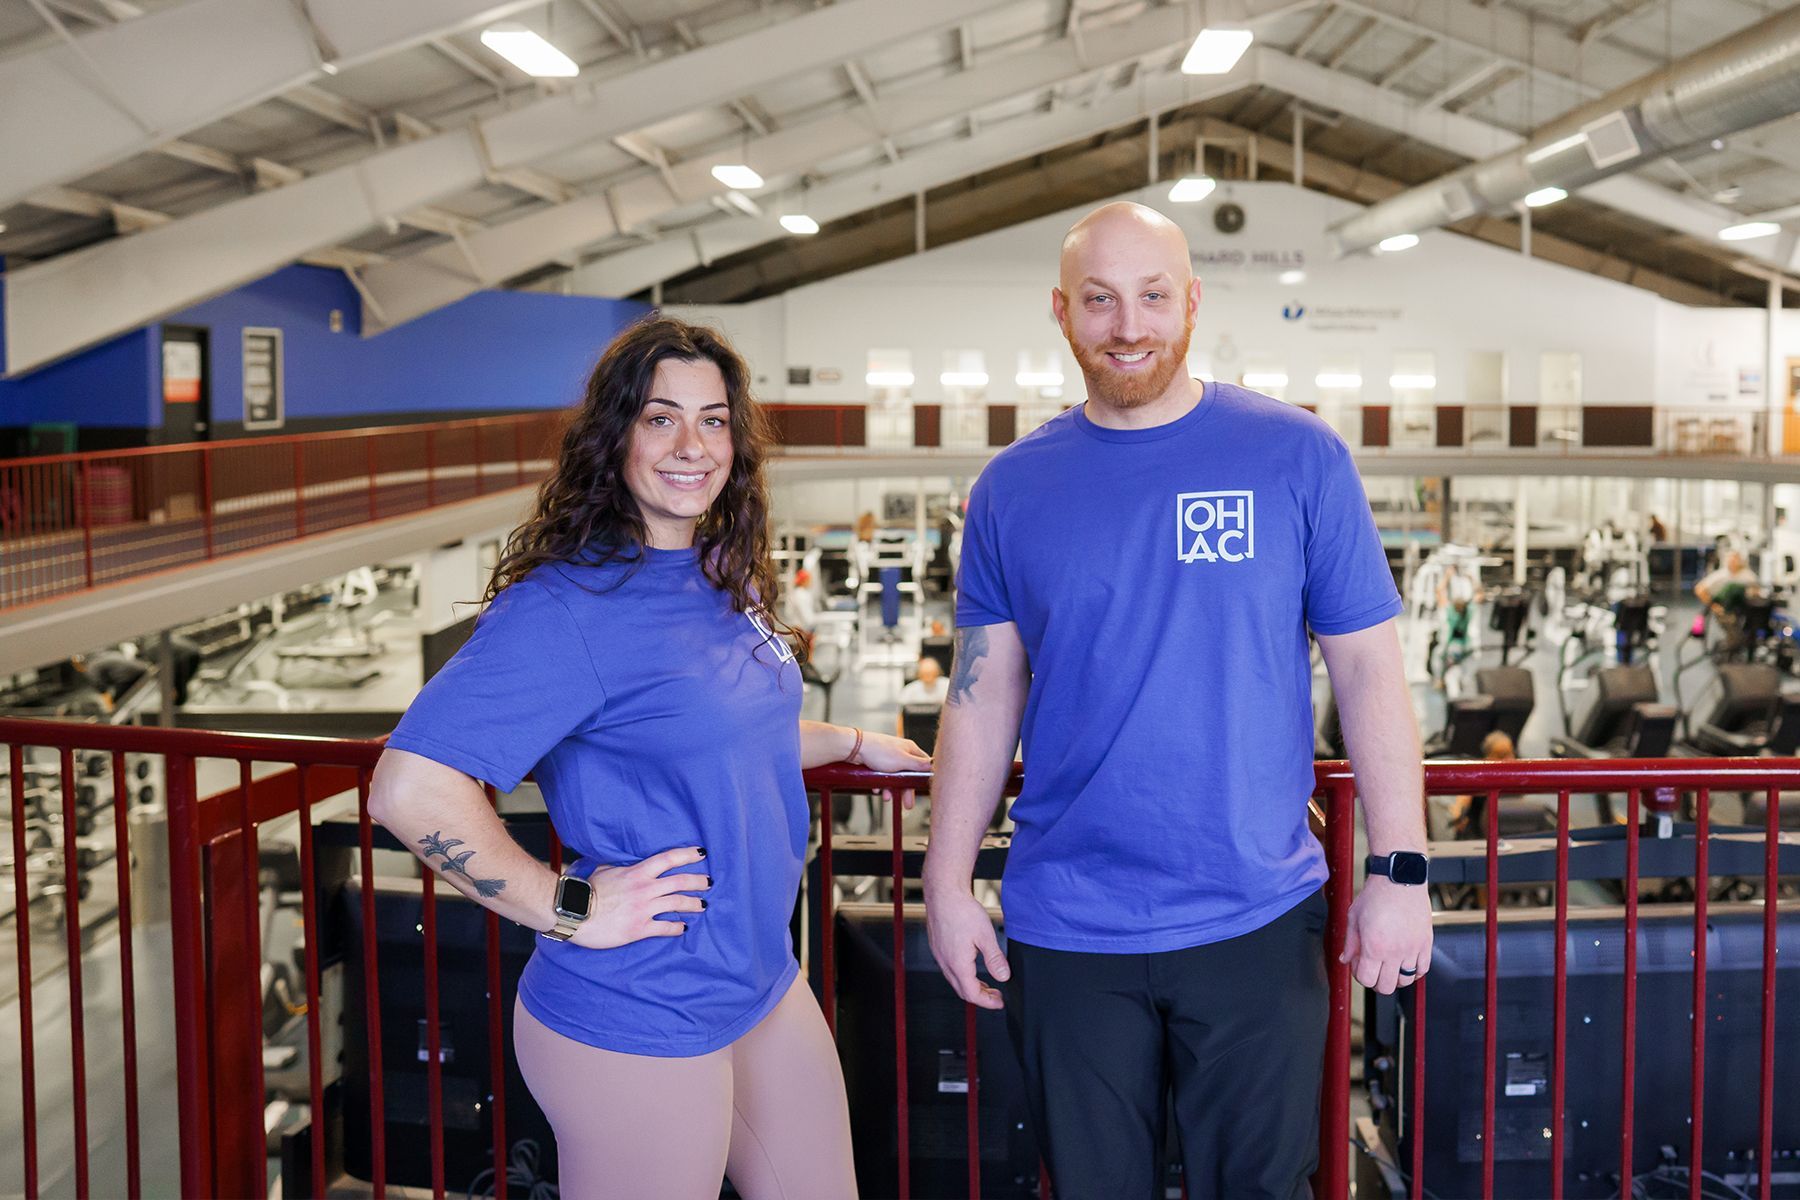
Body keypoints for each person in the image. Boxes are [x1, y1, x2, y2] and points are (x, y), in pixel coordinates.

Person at [922, 202, 1430, 1200]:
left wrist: (1401, 868)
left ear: (1191, 302)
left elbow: (1369, 668)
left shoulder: (1296, 457)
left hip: (1254, 915)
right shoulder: (1011, 491)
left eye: (1153, 296)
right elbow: (981, 698)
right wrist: (945, 884)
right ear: (1062, 313)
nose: (1129, 325)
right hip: (1068, 927)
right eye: (1101, 301)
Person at [371, 316, 929, 1200]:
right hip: (639, 999)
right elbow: (408, 787)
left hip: (756, 974)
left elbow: (731, 734)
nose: (692, 445)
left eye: (713, 420)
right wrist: (566, 906)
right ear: (615, 433)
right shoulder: (564, 608)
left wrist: (858, 744)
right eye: (661, 417)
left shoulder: (720, 572)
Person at [895, 654, 948, 735]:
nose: (928, 676)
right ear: (919, 674)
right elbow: (901, 718)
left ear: (937, 672)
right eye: (925, 673)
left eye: (931, 673)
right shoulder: (909, 691)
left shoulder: (947, 686)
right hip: (916, 731)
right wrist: (900, 737)